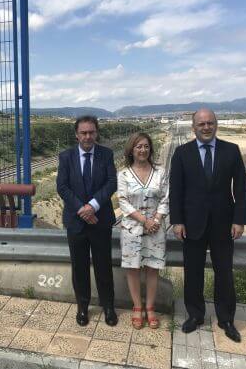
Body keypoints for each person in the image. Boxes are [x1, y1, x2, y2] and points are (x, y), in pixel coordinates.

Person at [169, 108, 246, 343]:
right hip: (191, 224)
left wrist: (239, 219)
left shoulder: (231, 151)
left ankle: (226, 319)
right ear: (193, 127)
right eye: (201, 124)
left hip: (224, 224)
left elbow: (242, 188)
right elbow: (176, 190)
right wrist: (177, 220)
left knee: (224, 273)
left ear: (216, 125)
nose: (206, 127)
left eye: (210, 123)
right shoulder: (182, 153)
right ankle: (195, 316)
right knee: (192, 273)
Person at [56, 115, 118, 327]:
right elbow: (62, 187)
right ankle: (82, 307)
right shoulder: (65, 157)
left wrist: (92, 206)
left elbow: (111, 184)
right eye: (83, 133)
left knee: (104, 266)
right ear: (76, 134)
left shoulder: (106, 154)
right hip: (76, 222)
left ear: (96, 132)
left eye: (91, 132)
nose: (88, 136)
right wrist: (82, 209)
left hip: (100, 220)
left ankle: (108, 306)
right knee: (79, 267)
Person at [117, 132, 169, 330]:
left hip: (156, 229)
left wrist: (155, 220)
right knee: (133, 268)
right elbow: (123, 201)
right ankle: (137, 307)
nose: (143, 150)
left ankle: (150, 308)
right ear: (132, 149)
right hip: (132, 229)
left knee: (152, 268)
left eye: (146, 146)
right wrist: (144, 221)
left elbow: (165, 198)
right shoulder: (123, 174)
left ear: (151, 149)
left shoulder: (160, 172)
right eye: (139, 146)